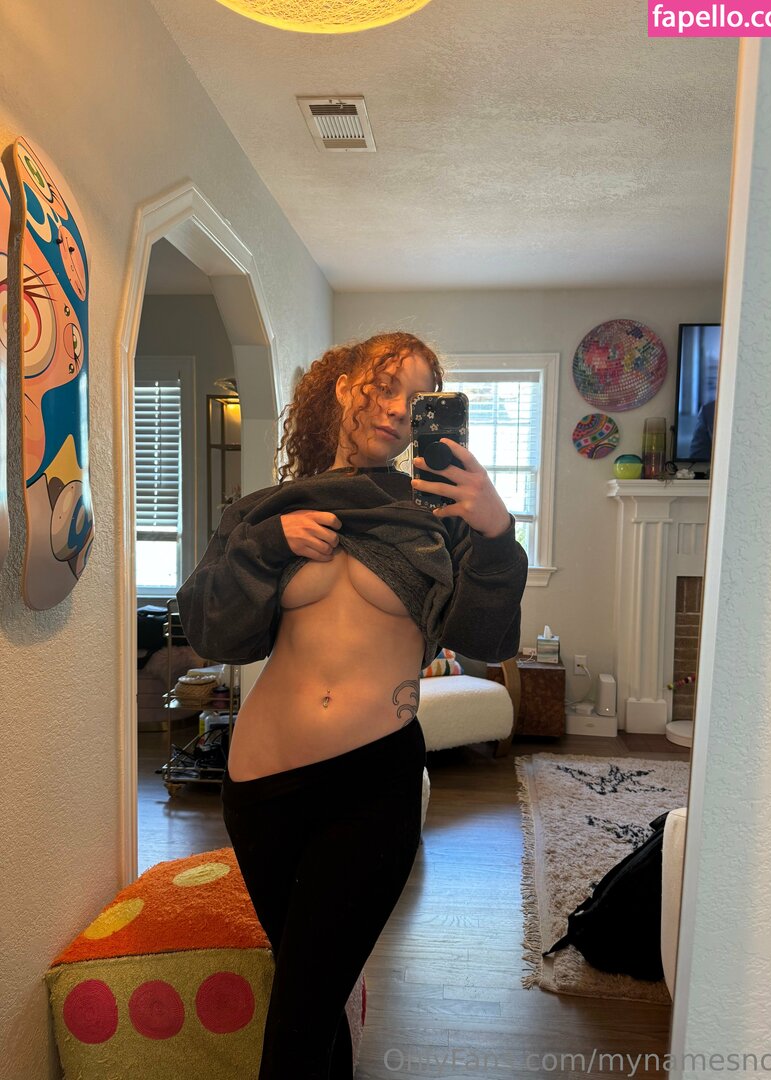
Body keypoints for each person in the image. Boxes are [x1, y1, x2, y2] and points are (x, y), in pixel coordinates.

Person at [176, 331, 528, 1079]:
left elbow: (485, 639)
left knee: (298, 1018)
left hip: (370, 788)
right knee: (310, 991)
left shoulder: (440, 514)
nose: (399, 410)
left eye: (420, 398)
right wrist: (267, 546)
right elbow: (211, 629)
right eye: (387, 386)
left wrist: (497, 532)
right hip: (259, 789)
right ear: (343, 385)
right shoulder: (267, 512)